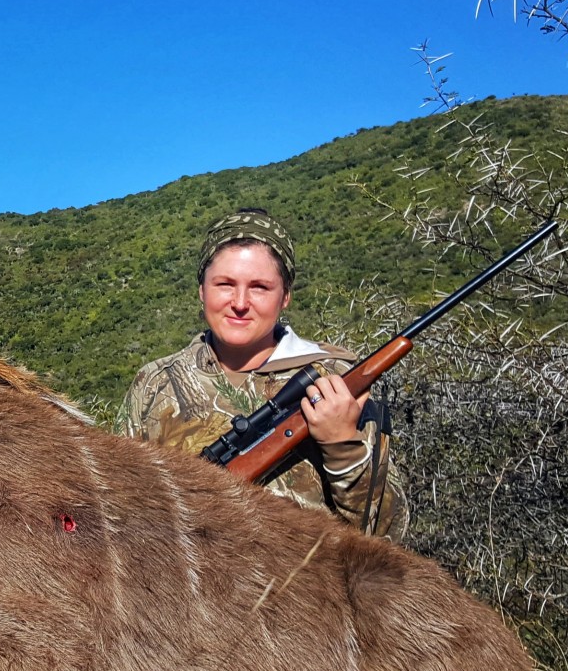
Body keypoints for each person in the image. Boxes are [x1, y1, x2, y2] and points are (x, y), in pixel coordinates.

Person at [118, 208, 407, 538]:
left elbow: (390, 536)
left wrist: (342, 445)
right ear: (201, 291)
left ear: (285, 297)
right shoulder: (154, 384)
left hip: (310, 588)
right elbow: (120, 518)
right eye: (225, 284)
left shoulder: (336, 381)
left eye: (259, 287)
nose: (240, 302)